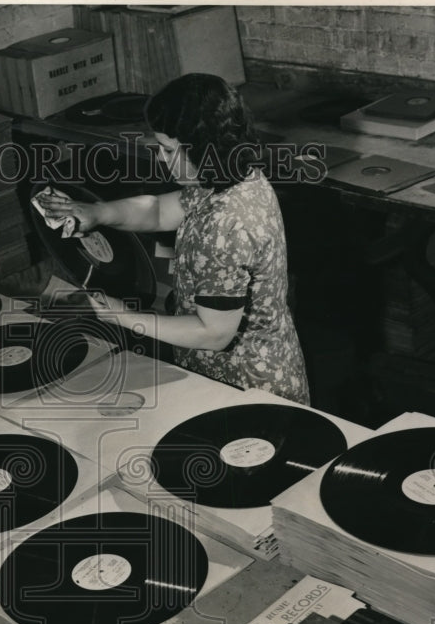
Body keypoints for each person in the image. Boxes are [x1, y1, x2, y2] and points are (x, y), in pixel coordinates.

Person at [36, 73, 310, 405]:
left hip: (246, 385)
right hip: (237, 367)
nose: (161, 159)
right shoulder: (233, 175)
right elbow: (159, 211)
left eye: (168, 149)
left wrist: (119, 315)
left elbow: (214, 333)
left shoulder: (227, 224)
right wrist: (95, 212)